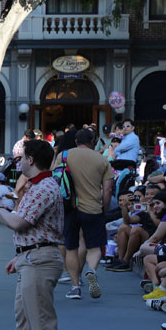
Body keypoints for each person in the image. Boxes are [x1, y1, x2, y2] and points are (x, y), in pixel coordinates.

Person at [0, 139, 66, 330]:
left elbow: (19, 222)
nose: (17, 161)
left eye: (20, 157)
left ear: (30, 160)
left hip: (39, 259)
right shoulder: (40, 186)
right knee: (26, 317)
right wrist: (20, 256)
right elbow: (37, 229)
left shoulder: (43, 187)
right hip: (33, 257)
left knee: (40, 318)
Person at [56, 128, 114, 300]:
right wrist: (104, 209)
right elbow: (108, 189)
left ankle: (75, 287)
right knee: (94, 247)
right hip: (93, 208)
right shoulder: (102, 160)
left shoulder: (64, 155)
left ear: (76, 141)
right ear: (93, 141)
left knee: (71, 248)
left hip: (70, 208)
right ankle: (92, 270)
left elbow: (54, 179)